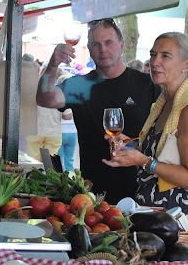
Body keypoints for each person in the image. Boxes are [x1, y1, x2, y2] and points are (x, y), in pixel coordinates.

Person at [102, 32, 188, 259]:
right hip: (156, 220)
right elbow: (162, 151)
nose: (155, 62)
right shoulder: (165, 103)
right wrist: (130, 145)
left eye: (166, 56)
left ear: (187, 65)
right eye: (153, 54)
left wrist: (145, 161)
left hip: (177, 225)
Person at [37, 18, 161, 203]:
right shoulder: (79, 86)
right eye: (96, 44)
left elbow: (166, 132)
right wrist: (53, 64)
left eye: (108, 43)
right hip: (93, 192)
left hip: (141, 190)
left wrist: (135, 146)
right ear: (89, 49)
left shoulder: (146, 84)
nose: (103, 49)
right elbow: (45, 99)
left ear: (121, 45)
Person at [56, 74, 77, 171]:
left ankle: (60, 181)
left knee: (58, 160)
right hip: (73, 132)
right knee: (70, 160)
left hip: (60, 132)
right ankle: (70, 179)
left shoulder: (57, 97)